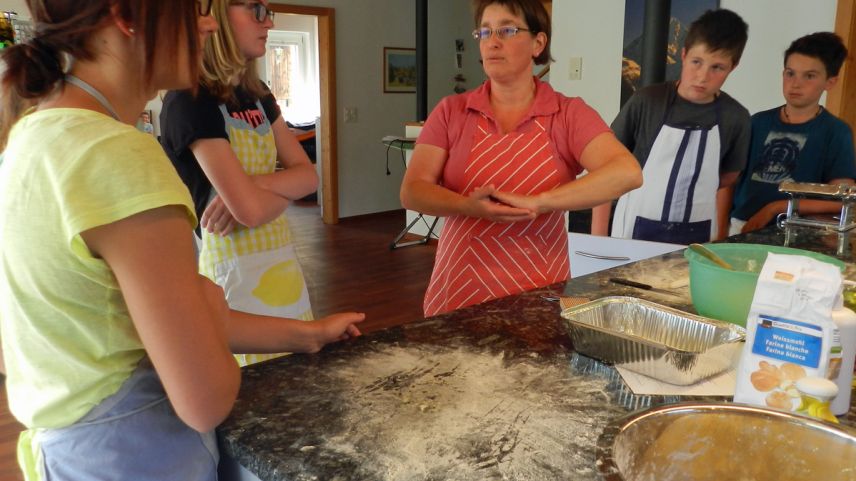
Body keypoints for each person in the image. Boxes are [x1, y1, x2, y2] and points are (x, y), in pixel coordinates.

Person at [0, 1, 362, 479]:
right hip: (137, 456)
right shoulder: (117, 154)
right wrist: (208, 303)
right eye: (192, 11)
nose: (208, 24)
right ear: (126, 17)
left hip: (74, 455)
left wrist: (306, 335)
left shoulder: (32, 135)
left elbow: (125, 328)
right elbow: (205, 400)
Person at [400, 0, 642, 317]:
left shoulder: (567, 114)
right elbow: (413, 190)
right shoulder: (451, 111)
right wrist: (466, 206)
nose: (492, 42)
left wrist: (541, 202)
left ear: (538, 43)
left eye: (507, 30)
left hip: (538, 291)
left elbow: (626, 172)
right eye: (484, 32)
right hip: (458, 288)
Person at [160, 0, 321, 366]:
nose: (269, 22)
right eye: (255, 9)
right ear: (217, 13)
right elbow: (250, 212)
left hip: (283, 265)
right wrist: (279, 187)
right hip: (231, 279)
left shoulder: (258, 93)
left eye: (268, 11)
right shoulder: (190, 99)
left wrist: (255, 185)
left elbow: (310, 176)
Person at [595, 9, 751, 243]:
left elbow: (728, 177)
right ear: (684, 54)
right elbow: (605, 168)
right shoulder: (648, 101)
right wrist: (598, 239)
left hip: (698, 234)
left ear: (733, 66)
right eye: (697, 62)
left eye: (717, 67)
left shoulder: (736, 117)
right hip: (634, 229)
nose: (702, 76)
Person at [726, 32, 856, 235]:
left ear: (830, 82)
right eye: (790, 73)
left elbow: (842, 200)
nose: (796, 83)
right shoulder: (757, 122)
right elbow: (728, 181)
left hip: (798, 232)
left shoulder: (835, 132)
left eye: (809, 76)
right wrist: (720, 230)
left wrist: (777, 207)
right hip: (742, 226)